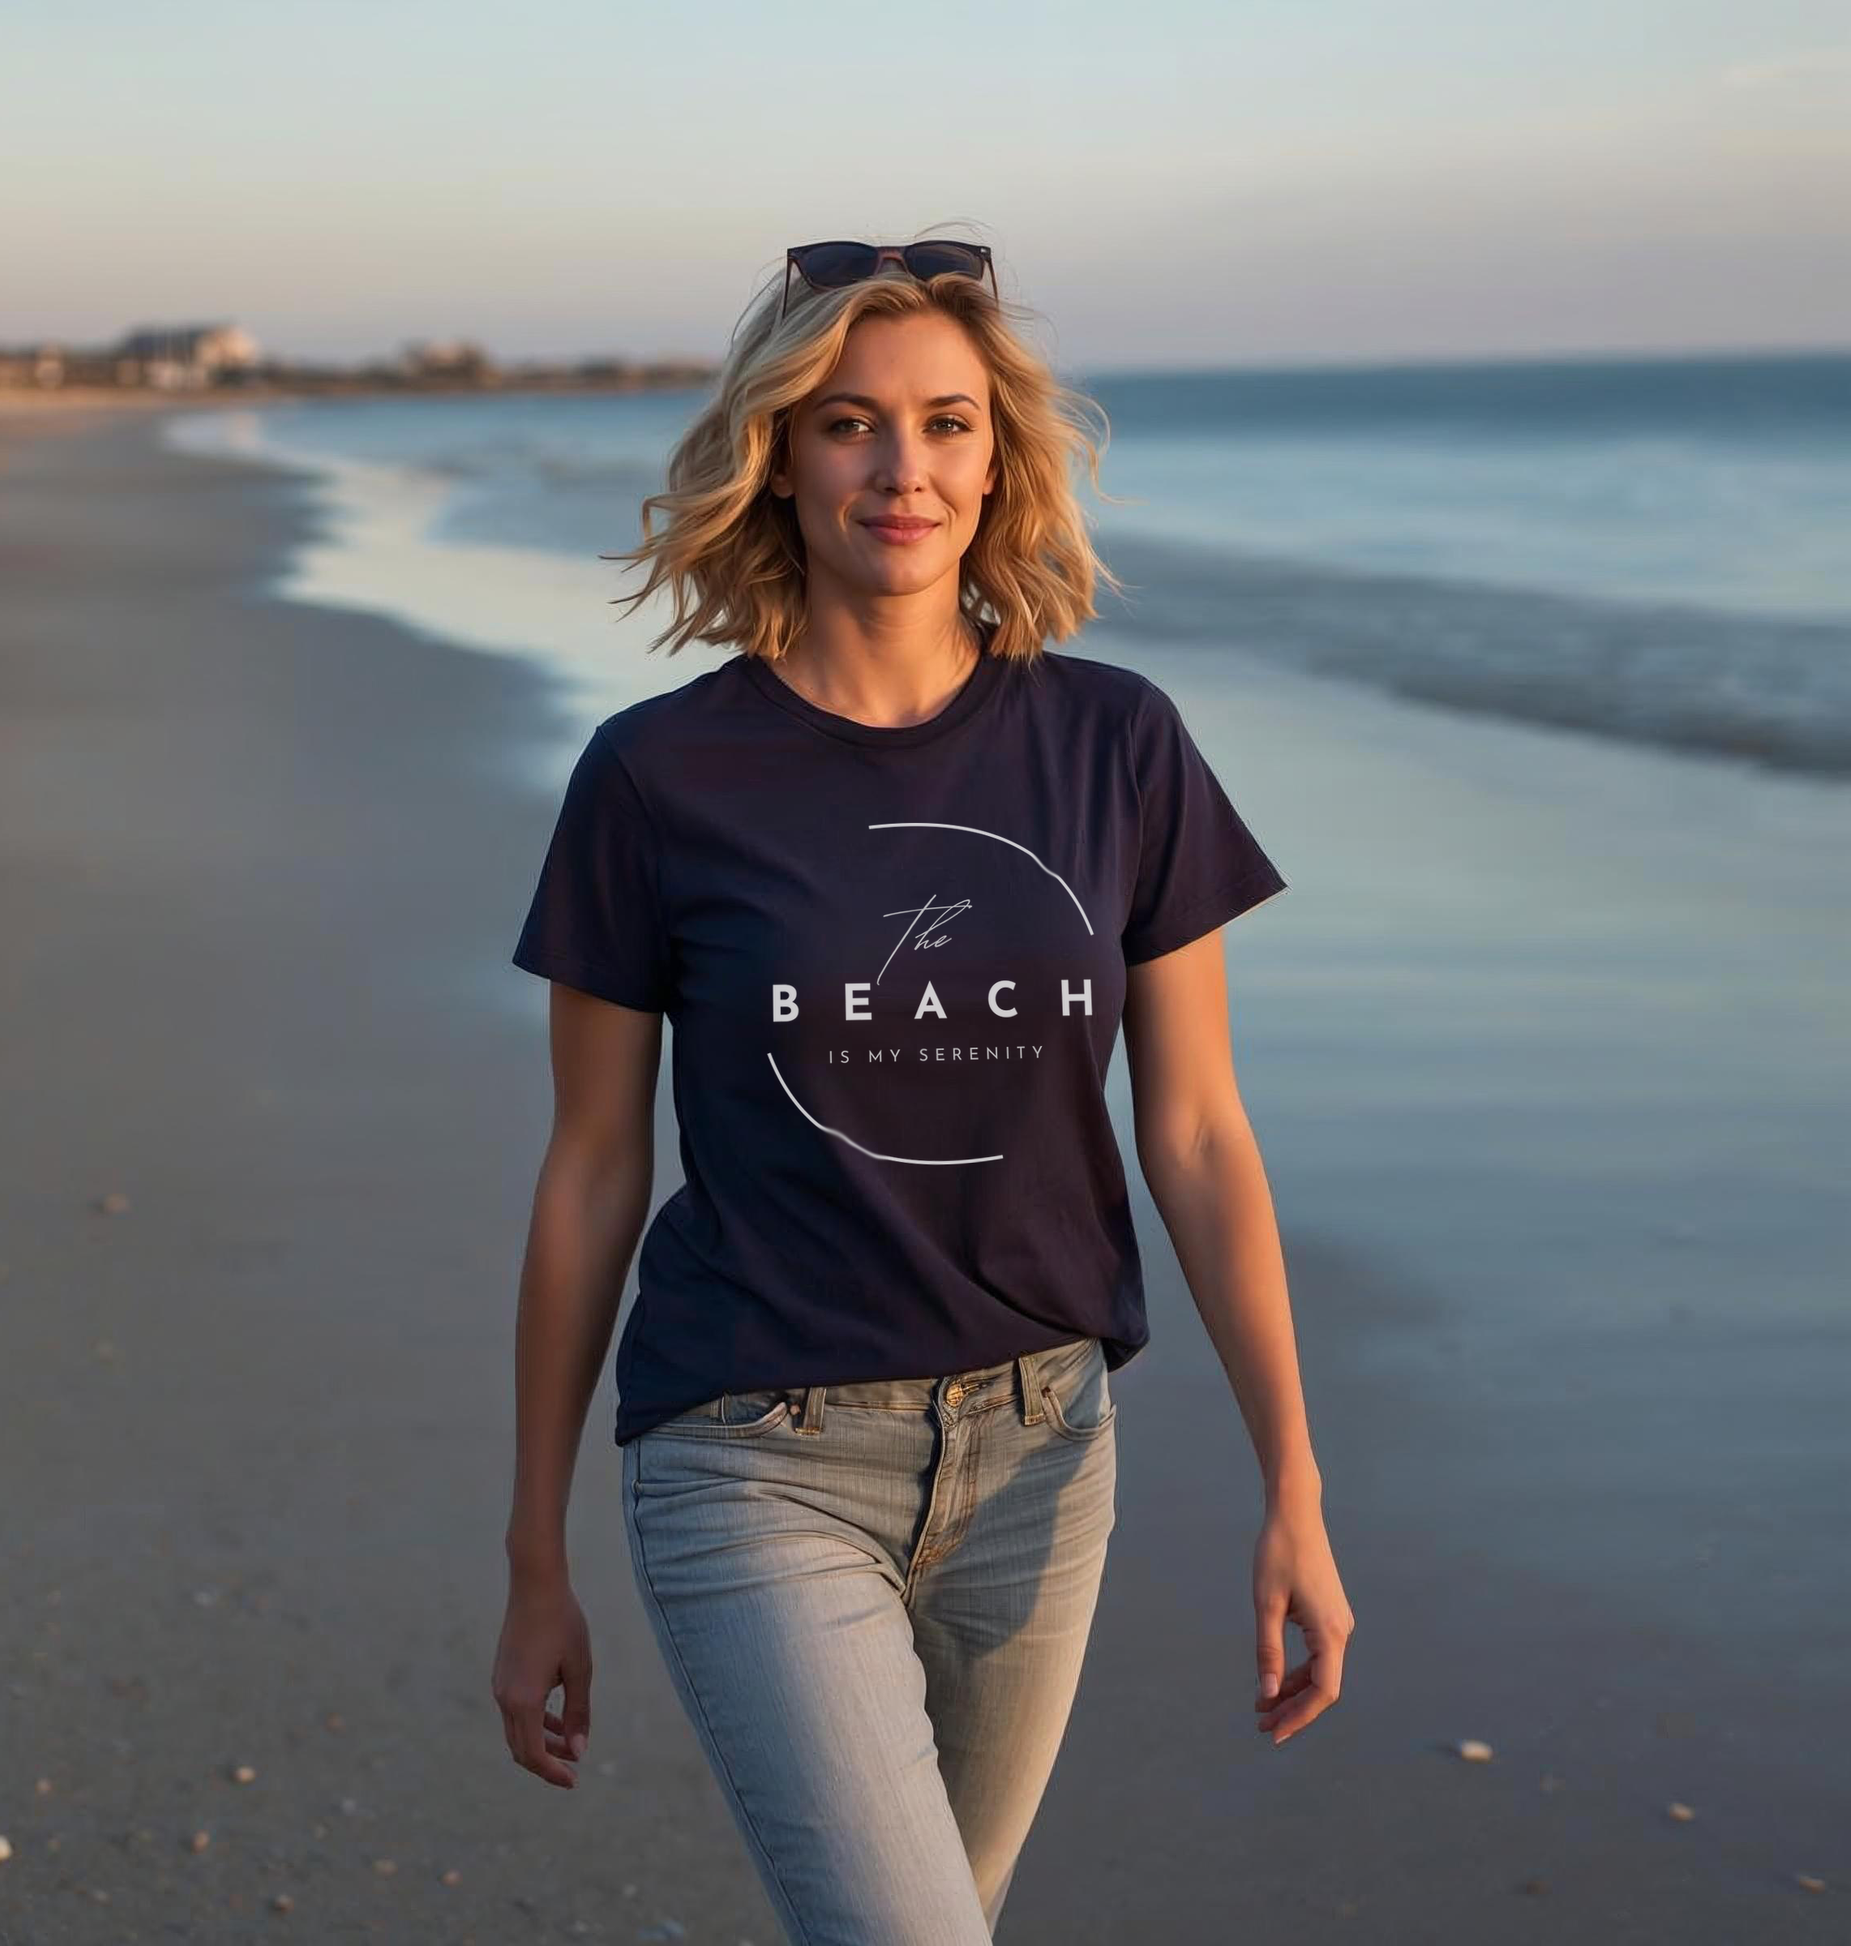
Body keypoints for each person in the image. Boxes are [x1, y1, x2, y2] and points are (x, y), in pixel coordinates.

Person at [492, 235, 1354, 1942]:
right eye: (849, 424)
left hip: (1045, 1459)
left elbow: (1192, 1131)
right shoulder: (657, 776)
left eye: (948, 424)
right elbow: (591, 1170)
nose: (905, 470)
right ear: (777, 453)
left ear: (999, 455)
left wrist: (1294, 1487)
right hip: (759, 1452)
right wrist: (535, 1555)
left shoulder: (1118, 744)